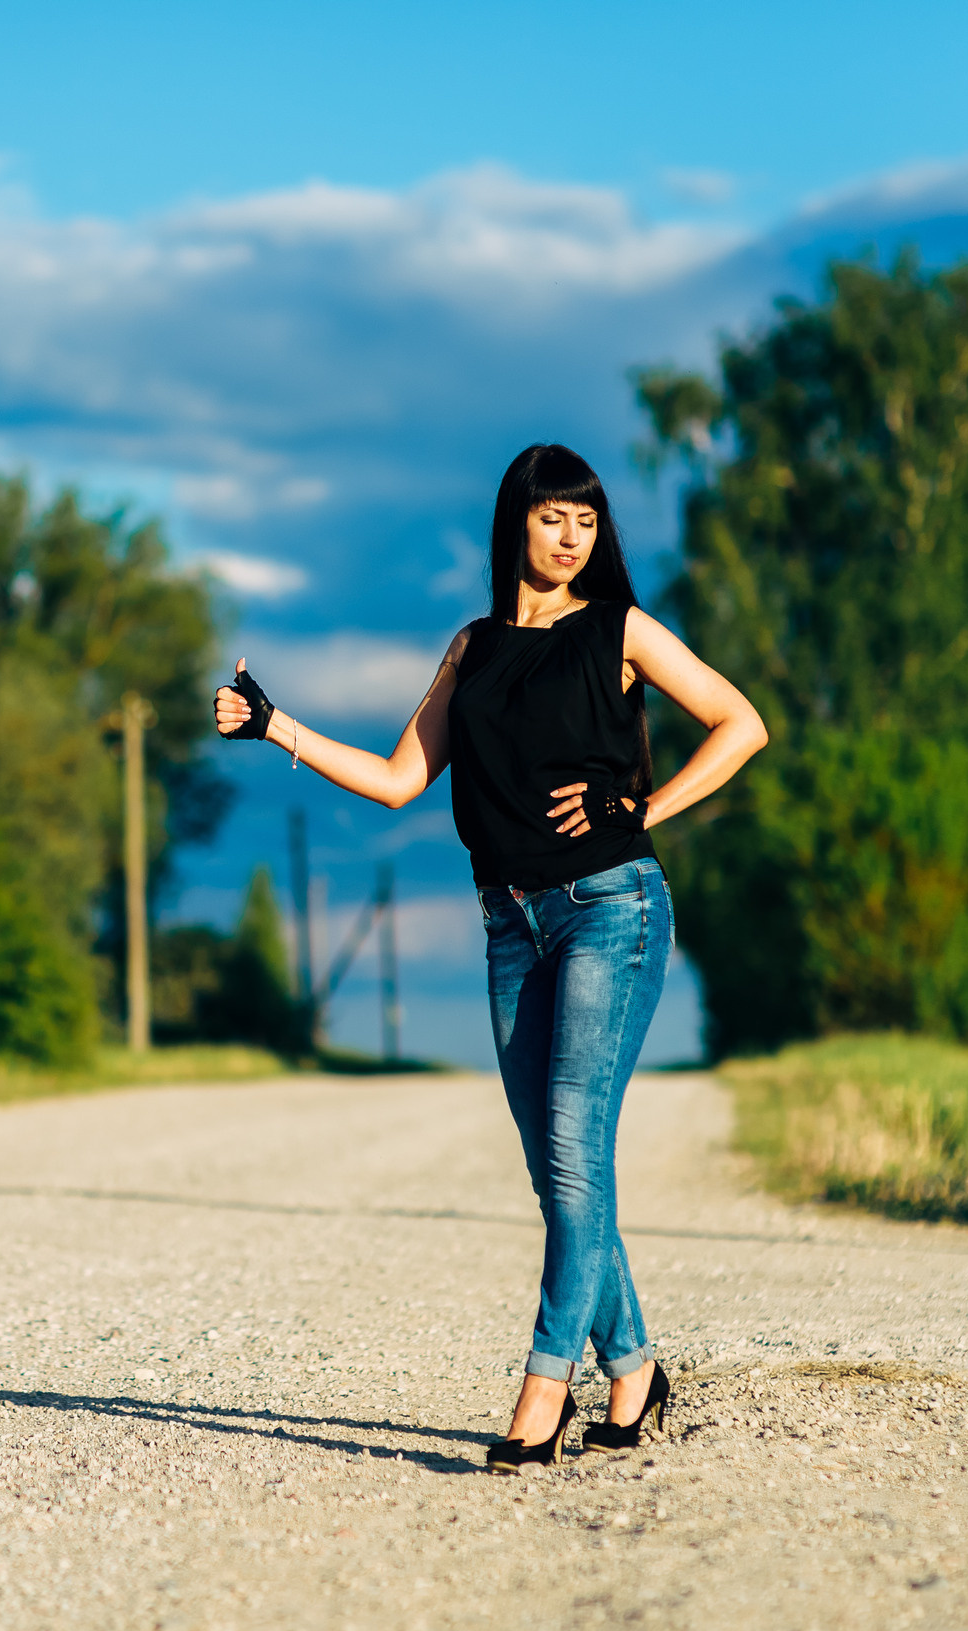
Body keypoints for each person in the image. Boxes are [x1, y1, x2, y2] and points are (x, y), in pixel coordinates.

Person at [212, 443, 767, 1468]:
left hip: (611, 908)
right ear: (515, 521)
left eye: (587, 522)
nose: (570, 538)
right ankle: (635, 1372)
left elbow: (742, 724)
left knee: (569, 1154)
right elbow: (393, 779)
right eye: (553, 517)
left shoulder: (621, 630)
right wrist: (273, 722)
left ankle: (544, 1385)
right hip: (508, 924)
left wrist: (641, 803)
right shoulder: (472, 648)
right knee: (559, 1168)